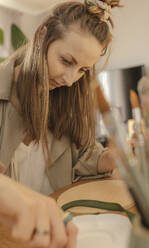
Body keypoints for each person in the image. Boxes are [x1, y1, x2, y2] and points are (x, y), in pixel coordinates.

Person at [0, 0, 120, 247]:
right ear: (43, 35)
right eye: (66, 61)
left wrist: (110, 159)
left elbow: (81, 153)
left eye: (82, 70)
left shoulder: (66, 96)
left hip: (61, 231)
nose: (69, 79)